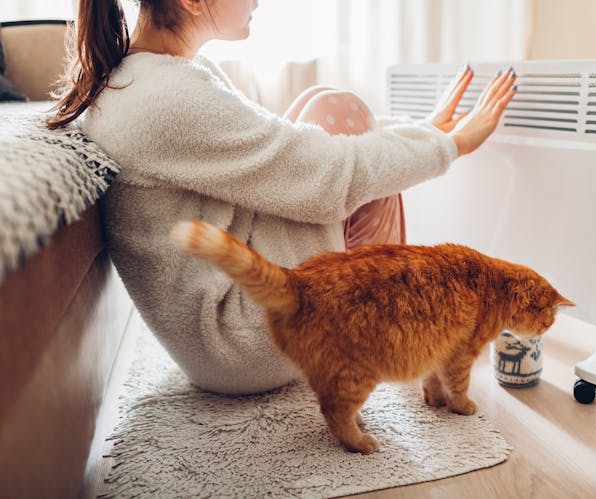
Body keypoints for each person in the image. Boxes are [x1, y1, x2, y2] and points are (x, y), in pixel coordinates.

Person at [47, 0, 517, 394]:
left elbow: (288, 151)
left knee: (322, 111)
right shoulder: (165, 98)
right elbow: (331, 177)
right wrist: (450, 145)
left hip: (226, 323)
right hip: (242, 340)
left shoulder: (155, 77)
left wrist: (424, 134)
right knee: (341, 119)